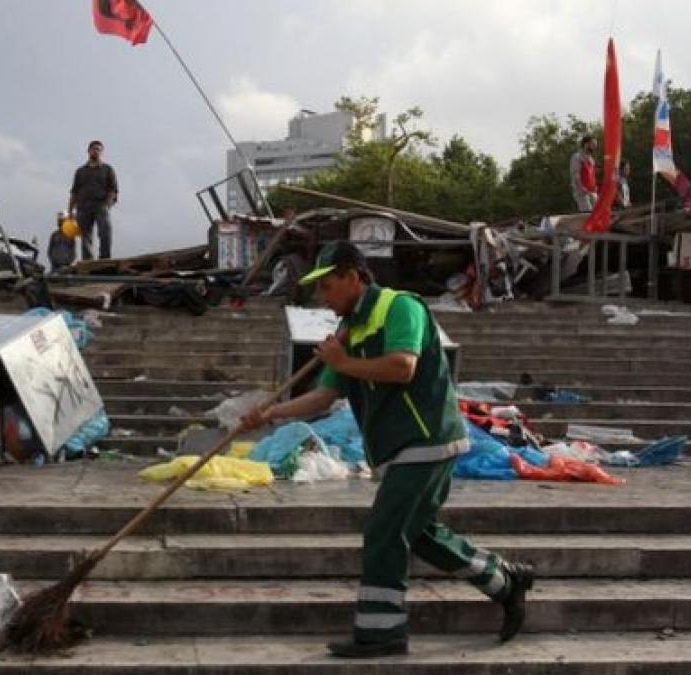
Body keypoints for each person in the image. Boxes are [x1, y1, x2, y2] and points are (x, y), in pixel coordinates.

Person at [240, 241, 534, 659]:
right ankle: (506, 583)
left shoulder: (400, 308)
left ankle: (382, 632)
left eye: (327, 286)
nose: (323, 297)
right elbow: (323, 396)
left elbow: (403, 366)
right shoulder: (349, 332)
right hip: (397, 447)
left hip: (427, 438)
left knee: (384, 531)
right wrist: (268, 414)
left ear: (352, 275)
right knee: (420, 534)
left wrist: (343, 363)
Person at [68, 140, 117, 260]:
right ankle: (87, 261)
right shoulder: (80, 171)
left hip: (100, 205)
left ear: (101, 152)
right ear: (88, 151)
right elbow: (74, 191)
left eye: (98, 149)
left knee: (105, 231)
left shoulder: (107, 169)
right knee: (85, 237)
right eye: (93, 149)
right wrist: (70, 211)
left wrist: (107, 205)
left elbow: (113, 189)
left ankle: (105, 258)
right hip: (83, 207)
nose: (96, 151)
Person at [569, 135, 597, 212]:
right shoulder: (577, 157)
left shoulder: (591, 159)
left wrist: (595, 187)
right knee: (587, 213)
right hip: (582, 191)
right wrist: (581, 187)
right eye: (593, 144)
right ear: (586, 144)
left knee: (597, 211)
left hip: (592, 190)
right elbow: (576, 174)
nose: (595, 146)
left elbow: (592, 175)